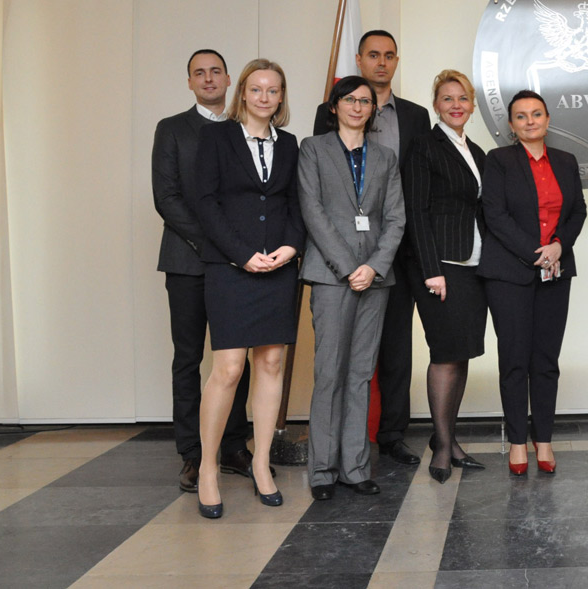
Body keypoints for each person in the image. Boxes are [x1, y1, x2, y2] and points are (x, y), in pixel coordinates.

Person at [313, 30, 431, 466]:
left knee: (395, 349)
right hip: (339, 255)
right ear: (359, 59)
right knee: (339, 360)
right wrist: (345, 260)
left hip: (395, 252)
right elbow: (320, 190)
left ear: (396, 61)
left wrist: (389, 253)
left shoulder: (416, 116)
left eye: (389, 55)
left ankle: (392, 434)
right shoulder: (325, 118)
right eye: (373, 55)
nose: (382, 62)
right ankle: (337, 452)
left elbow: (417, 186)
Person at [194, 58, 305, 518]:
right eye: (256, 89)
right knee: (228, 369)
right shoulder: (216, 138)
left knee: (271, 362)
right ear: (242, 92)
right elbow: (205, 204)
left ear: (281, 97)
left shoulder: (290, 144)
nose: (264, 97)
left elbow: (297, 204)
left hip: (277, 267)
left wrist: (291, 247)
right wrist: (242, 254)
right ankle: (208, 468)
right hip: (230, 268)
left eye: (272, 90)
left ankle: (261, 464)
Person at [152, 49, 257, 492]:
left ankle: (233, 447)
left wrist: (236, 248)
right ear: (190, 82)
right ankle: (193, 454)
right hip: (188, 261)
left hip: (238, 262)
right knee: (189, 358)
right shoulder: (172, 129)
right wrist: (212, 242)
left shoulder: (245, 128)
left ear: (230, 79)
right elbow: (166, 197)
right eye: (200, 73)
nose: (209, 78)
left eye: (216, 71)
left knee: (236, 359)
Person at [299, 76, 406, 501]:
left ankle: (355, 467)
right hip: (331, 276)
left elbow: (395, 219)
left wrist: (373, 266)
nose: (358, 107)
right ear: (335, 106)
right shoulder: (313, 149)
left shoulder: (385, 157)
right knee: (330, 372)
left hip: (376, 279)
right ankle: (322, 471)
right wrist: (349, 268)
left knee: (361, 374)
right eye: (350, 100)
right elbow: (312, 211)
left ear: (373, 110)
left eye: (365, 101)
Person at [479, 90, 587, 476]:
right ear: (511, 124)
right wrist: (534, 253)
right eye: (521, 116)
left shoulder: (566, 161)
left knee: (545, 360)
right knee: (514, 360)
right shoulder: (499, 160)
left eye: (536, 114)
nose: (530, 121)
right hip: (509, 274)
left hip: (556, 271)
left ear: (547, 119)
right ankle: (516, 442)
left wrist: (558, 246)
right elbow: (494, 214)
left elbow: (577, 211)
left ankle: (544, 439)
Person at [405, 70, 489, 483]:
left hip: (473, 266)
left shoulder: (477, 151)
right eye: (447, 98)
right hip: (440, 267)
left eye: (463, 98)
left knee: (461, 352)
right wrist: (431, 270)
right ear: (436, 105)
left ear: (472, 105)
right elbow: (416, 211)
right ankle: (440, 447)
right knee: (444, 353)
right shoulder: (424, 146)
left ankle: (450, 439)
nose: (456, 105)